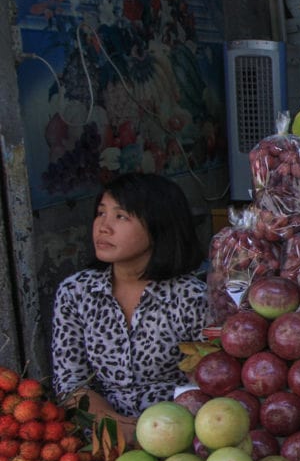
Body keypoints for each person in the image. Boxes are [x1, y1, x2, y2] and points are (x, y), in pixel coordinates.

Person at [51, 173, 209, 440]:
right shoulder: (75, 292)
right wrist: (122, 429)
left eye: (121, 216)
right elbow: (70, 383)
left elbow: (210, 383)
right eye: (100, 213)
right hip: (101, 439)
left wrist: (160, 435)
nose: (103, 227)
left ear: (159, 225)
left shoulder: (193, 297)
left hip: (179, 438)